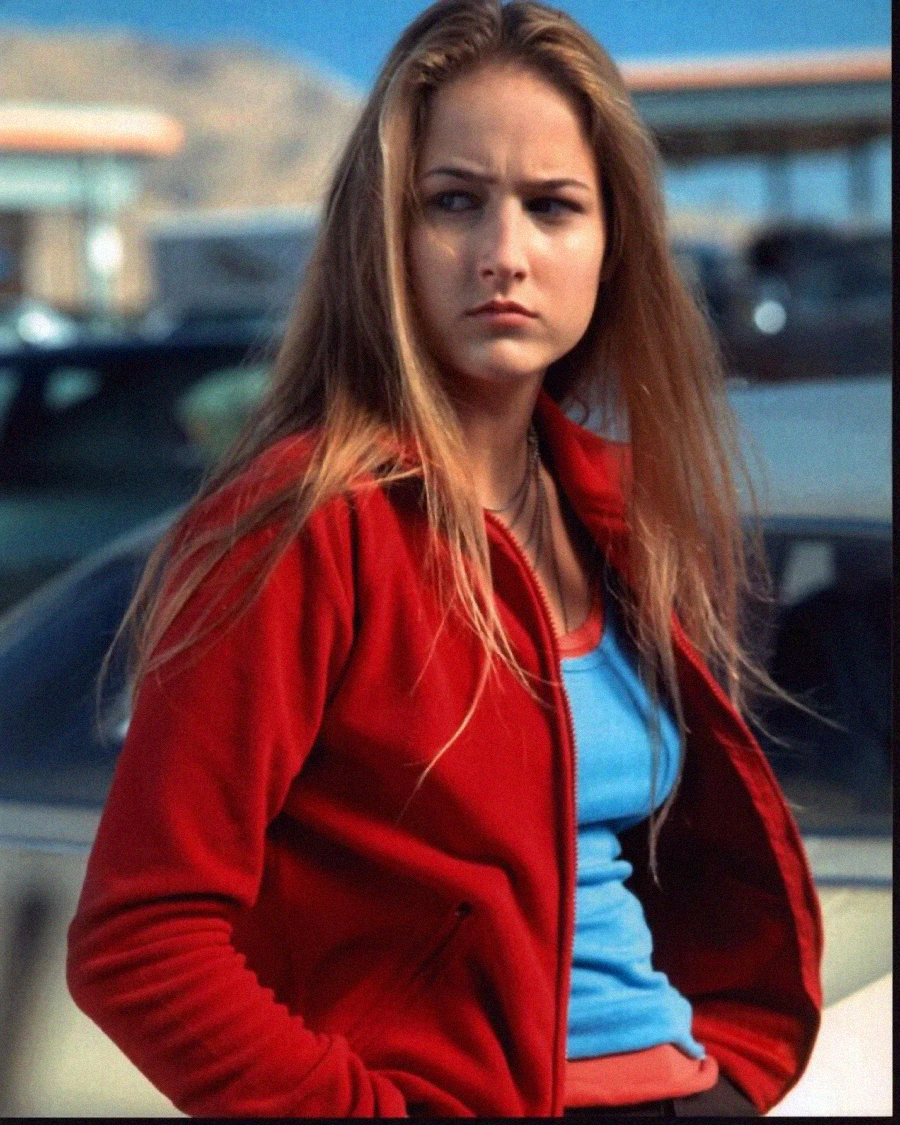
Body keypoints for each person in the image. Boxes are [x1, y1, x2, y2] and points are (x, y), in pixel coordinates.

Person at [66, 0, 822, 1116]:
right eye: (453, 203)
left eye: (553, 207)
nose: (504, 255)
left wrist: (731, 1075)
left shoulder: (619, 512)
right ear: (384, 234)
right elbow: (141, 940)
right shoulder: (306, 525)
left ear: (609, 248)